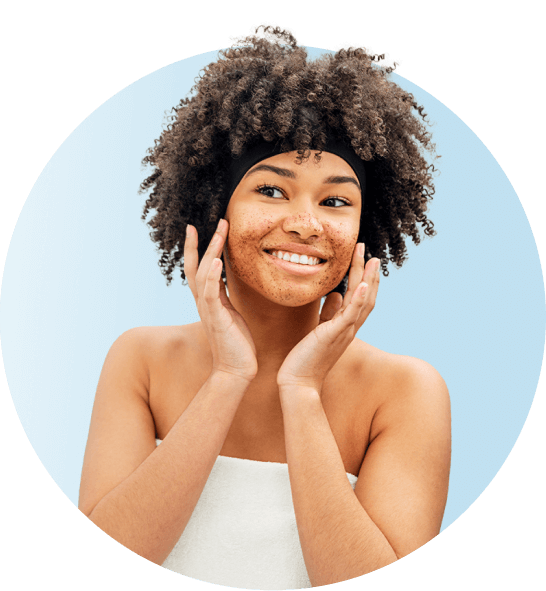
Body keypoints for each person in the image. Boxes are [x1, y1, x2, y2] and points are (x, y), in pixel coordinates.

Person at [78, 24, 451, 587]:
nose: (305, 224)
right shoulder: (141, 361)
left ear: (363, 228)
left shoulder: (405, 393)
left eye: (335, 200)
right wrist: (228, 375)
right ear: (213, 208)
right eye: (271, 190)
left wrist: (301, 392)